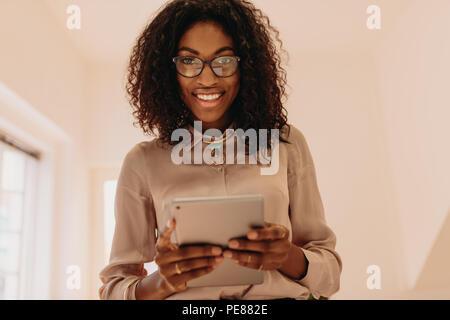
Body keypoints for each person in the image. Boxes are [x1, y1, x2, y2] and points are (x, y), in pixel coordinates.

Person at [98, 0, 342, 300]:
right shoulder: (143, 162)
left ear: (246, 66)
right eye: (189, 61)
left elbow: (328, 277)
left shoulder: (286, 145)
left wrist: (287, 256)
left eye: (224, 60)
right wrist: (163, 281)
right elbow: (113, 290)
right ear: (168, 70)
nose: (208, 78)